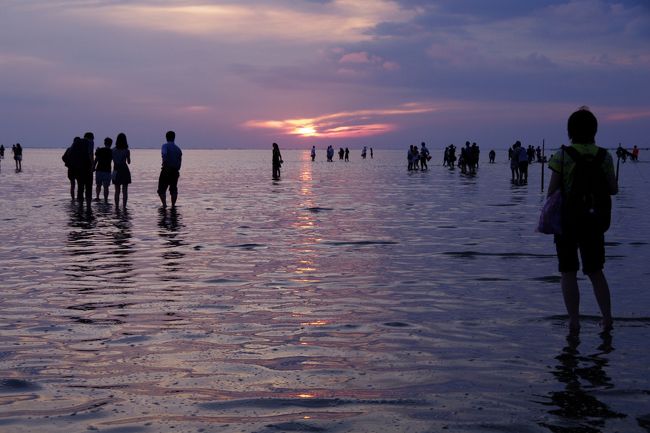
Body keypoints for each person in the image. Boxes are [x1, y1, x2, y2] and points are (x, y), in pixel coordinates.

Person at [546, 107, 617, 333]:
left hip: (567, 221)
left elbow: (552, 192)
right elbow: (613, 189)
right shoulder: (605, 156)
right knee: (596, 271)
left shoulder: (562, 155)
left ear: (570, 131)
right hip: (595, 221)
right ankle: (607, 318)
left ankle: (574, 321)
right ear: (594, 130)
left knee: (568, 272)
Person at [158, 130, 182, 208]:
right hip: (175, 171)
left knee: (161, 189)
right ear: (174, 138)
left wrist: (164, 163)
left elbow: (164, 154)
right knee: (173, 189)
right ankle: (173, 206)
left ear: (166, 137)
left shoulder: (165, 146)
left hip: (166, 169)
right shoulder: (178, 149)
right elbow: (179, 162)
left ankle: (164, 205)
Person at [65, 137, 92, 203]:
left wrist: (69, 164)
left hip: (72, 169)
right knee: (81, 187)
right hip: (79, 171)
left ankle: (74, 200)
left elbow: (64, 158)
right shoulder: (83, 151)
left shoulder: (70, 149)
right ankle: (79, 201)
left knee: (74, 185)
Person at [112, 133, 132, 208]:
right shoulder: (126, 151)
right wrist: (128, 157)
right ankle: (124, 207)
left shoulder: (113, 150)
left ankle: (116, 207)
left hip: (116, 170)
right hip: (124, 170)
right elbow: (129, 162)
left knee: (117, 190)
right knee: (125, 191)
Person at [93, 137, 113, 201]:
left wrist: (93, 167)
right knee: (106, 187)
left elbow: (96, 159)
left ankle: (97, 197)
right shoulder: (111, 151)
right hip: (107, 171)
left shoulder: (100, 150)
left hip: (99, 170)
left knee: (98, 185)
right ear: (111, 144)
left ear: (104, 143)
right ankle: (106, 199)